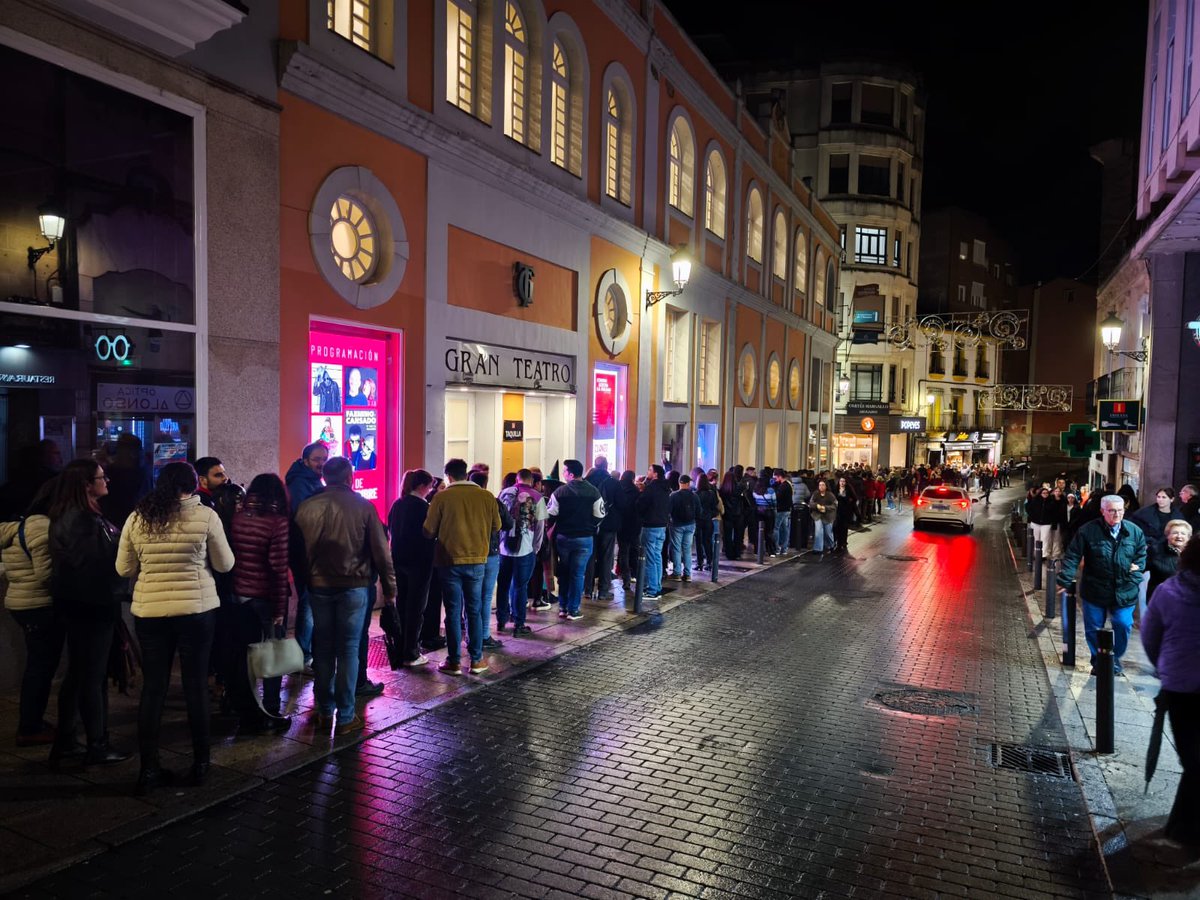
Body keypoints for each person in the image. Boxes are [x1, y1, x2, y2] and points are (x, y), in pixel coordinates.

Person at [117, 462, 233, 792]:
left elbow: (124, 567)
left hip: (149, 612)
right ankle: (200, 763)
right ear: (193, 485)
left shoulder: (138, 517)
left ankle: (149, 768)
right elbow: (225, 563)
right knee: (196, 685)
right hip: (196, 611)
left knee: (154, 689)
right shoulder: (206, 517)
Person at [295, 457, 395, 733]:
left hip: (318, 585)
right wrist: (390, 591)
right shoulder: (363, 507)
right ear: (350, 477)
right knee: (349, 649)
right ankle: (347, 715)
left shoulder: (306, 507)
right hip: (354, 584)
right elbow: (381, 553)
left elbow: (297, 551)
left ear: (325, 477)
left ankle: (325, 710)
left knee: (323, 648)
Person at [47, 460, 131, 770]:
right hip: (92, 607)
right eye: (100, 477)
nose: (106, 480)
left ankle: (66, 740)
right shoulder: (83, 522)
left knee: (79, 674)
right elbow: (98, 568)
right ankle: (97, 744)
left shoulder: (68, 516)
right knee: (92, 678)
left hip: (78, 604)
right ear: (86, 485)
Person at [1140, 536, 1200, 848]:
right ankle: (1184, 828)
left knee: (1194, 762)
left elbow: (1150, 638)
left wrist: (1166, 668)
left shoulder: (1168, 591)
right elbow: (1151, 636)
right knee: (1195, 762)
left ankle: (1181, 825)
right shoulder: (1171, 592)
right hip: (1182, 688)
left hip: (1178, 686)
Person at [423, 458, 501, 675]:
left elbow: (428, 531)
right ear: (466, 473)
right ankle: (476, 660)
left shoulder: (442, 498)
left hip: (448, 562)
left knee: (452, 611)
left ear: (448, 475)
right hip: (477, 560)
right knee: (474, 611)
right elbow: (497, 526)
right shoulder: (486, 496)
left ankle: (454, 661)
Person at [229, 473, 292, 734]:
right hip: (265, 597)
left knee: (245, 655)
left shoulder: (238, 518)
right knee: (272, 653)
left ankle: (247, 710)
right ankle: (271, 709)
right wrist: (279, 609)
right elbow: (278, 570)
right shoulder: (278, 523)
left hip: (239, 594)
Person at [1057, 495, 1147, 676]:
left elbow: (1141, 555)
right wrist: (1065, 579)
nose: (1117, 514)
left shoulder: (1134, 531)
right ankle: (1098, 662)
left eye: (1120, 510)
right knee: (1094, 628)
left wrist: (1136, 573)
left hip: (1124, 589)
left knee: (1123, 623)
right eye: (1112, 510)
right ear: (1102, 511)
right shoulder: (1088, 531)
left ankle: (1114, 659)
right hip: (1095, 588)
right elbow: (1073, 555)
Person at [2, 481, 63, 746]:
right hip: (38, 605)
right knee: (40, 668)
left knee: (37, 665)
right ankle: (30, 726)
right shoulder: (41, 527)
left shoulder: (14, 527)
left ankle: (32, 721)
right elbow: (45, 574)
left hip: (19, 601)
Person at [285, 442, 328, 672]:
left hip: (306, 550)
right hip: (305, 551)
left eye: (324, 459)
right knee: (308, 602)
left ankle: (305, 654)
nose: (321, 463)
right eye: (316, 459)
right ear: (305, 460)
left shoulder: (308, 480)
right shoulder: (301, 482)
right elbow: (305, 517)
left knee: (309, 602)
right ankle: (303, 656)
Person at [388, 469, 436, 666]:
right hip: (420, 563)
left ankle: (400, 647)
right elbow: (429, 533)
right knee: (416, 607)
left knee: (402, 604)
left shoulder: (398, 504)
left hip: (399, 560)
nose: (431, 490)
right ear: (422, 486)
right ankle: (411, 651)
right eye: (430, 486)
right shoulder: (424, 508)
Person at [546, 459, 605, 620]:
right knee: (578, 574)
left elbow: (550, 514)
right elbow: (600, 515)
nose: (563, 474)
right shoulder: (593, 492)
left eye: (565, 471)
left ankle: (563, 607)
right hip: (585, 538)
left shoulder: (559, 492)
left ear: (571, 474)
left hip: (564, 537)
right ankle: (574, 609)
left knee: (564, 572)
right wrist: (589, 526)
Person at [497, 469, 547, 636]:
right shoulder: (537, 496)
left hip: (504, 547)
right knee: (520, 586)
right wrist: (536, 547)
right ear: (531, 480)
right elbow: (540, 525)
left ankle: (501, 621)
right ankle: (519, 623)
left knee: (503, 585)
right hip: (525, 547)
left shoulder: (503, 493)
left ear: (517, 479)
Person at [468, 468, 512, 649]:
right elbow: (507, 524)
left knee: (469, 597)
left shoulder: (462, 501)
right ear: (485, 484)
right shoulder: (493, 501)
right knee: (485, 597)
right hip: (490, 552)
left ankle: (470, 635)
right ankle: (484, 635)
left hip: (468, 553)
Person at [583, 457, 622, 601]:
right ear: (606, 466)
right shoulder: (613, 483)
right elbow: (621, 505)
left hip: (590, 525)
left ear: (594, 465)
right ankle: (603, 591)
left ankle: (587, 589)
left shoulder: (586, 482)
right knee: (606, 557)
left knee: (589, 558)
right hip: (608, 525)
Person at [636, 465, 671, 601]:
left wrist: (640, 493)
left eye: (649, 470)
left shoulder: (652, 488)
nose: (647, 472)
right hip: (662, 526)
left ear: (655, 474)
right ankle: (656, 587)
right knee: (657, 557)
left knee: (650, 558)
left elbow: (641, 504)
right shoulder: (665, 488)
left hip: (650, 525)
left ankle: (651, 590)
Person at [1148, 520, 1192, 602]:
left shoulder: (1194, 552)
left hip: (1187, 600)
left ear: (1188, 537)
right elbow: (1140, 567)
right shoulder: (1155, 550)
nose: (1179, 536)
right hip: (1161, 599)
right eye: (1175, 533)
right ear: (1167, 535)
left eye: (1183, 533)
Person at [668, 473, 700, 583]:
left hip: (677, 525)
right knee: (687, 549)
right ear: (687, 483)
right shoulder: (694, 496)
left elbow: (668, 511)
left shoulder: (673, 495)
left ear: (679, 483)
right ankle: (687, 575)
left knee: (677, 548)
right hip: (690, 524)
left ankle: (677, 573)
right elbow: (699, 511)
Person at [614, 470, 641, 591]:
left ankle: (626, 577)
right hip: (634, 524)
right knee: (634, 549)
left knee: (623, 550)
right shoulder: (636, 491)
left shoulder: (619, 488)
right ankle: (634, 573)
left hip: (622, 524)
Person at [693, 471, 721, 573]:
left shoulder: (695, 494)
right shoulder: (711, 494)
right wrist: (710, 515)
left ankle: (699, 562)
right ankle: (710, 562)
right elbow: (716, 507)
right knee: (707, 542)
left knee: (698, 542)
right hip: (708, 521)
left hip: (698, 521)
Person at [719, 468, 744, 561]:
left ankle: (729, 553)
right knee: (738, 534)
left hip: (727, 514)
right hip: (738, 514)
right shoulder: (739, 488)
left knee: (727, 535)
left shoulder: (722, 489)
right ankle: (737, 553)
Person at [810, 479, 837, 555]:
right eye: (820, 485)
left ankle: (831, 545)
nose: (821, 487)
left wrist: (825, 508)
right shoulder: (815, 494)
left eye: (823, 485)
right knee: (818, 531)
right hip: (817, 515)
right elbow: (811, 503)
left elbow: (834, 505)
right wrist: (816, 506)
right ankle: (818, 548)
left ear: (826, 486)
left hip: (828, 516)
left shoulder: (830, 495)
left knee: (828, 532)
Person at [833, 476, 857, 553]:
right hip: (837, 510)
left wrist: (849, 503)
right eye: (841, 481)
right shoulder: (836, 490)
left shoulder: (849, 490)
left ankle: (843, 541)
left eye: (844, 481)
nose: (842, 483)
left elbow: (854, 498)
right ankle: (838, 542)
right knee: (837, 526)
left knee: (844, 527)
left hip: (846, 511)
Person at [772, 470, 792, 554]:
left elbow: (777, 497)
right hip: (787, 509)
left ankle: (776, 548)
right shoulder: (788, 484)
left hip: (781, 509)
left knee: (776, 528)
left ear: (779, 476)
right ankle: (784, 548)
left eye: (775, 477)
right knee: (785, 528)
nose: (775, 479)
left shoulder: (783, 486)